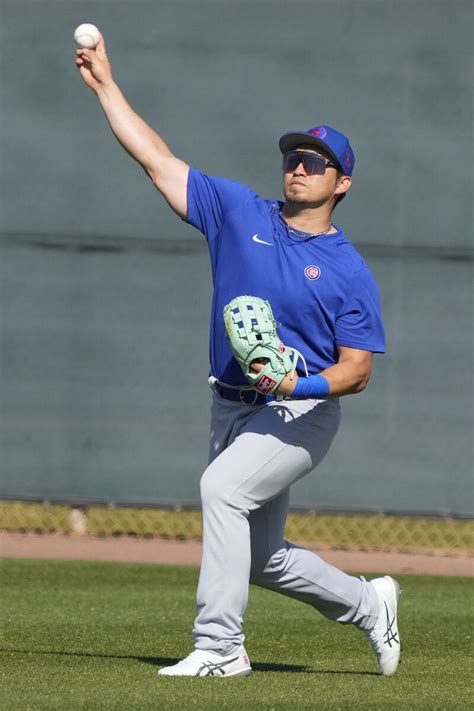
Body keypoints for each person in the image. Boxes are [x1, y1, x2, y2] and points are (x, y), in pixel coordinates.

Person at [76, 34, 401, 679]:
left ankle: (220, 646)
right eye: (295, 157)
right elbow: (157, 161)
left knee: (220, 491)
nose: (300, 167)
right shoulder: (236, 211)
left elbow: (358, 370)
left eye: (317, 160)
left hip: (300, 412)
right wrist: (106, 87)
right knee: (259, 556)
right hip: (230, 407)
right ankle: (369, 602)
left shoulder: (348, 271)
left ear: (343, 182)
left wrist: (297, 382)